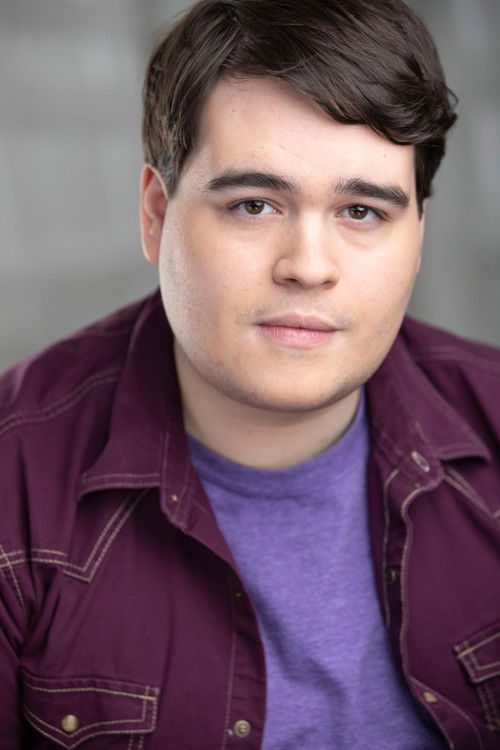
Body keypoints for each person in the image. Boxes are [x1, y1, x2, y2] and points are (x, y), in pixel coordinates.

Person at [1, 0, 499, 747]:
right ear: (156, 215)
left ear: (417, 238)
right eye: (255, 204)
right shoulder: (14, 477)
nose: (309, 267)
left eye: (362, 212)